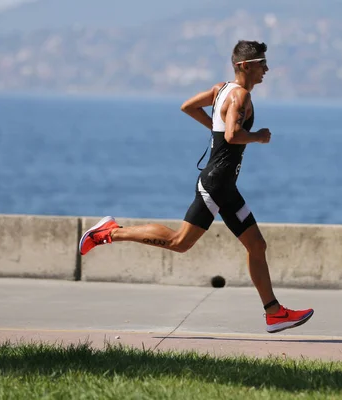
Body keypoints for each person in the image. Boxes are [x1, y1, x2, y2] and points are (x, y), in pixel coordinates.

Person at [79, 40, 314, 334]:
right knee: (180, 243)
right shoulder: (239, 97)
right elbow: (232, 135)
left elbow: (188, 106)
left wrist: (216, 130)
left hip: (227, 187)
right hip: (216, 184)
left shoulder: (221, 90)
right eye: (261, 63)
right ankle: (109, 233)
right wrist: (257, 137)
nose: (266, 69)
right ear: (245, 66)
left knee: (257, 245)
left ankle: (274, 313)